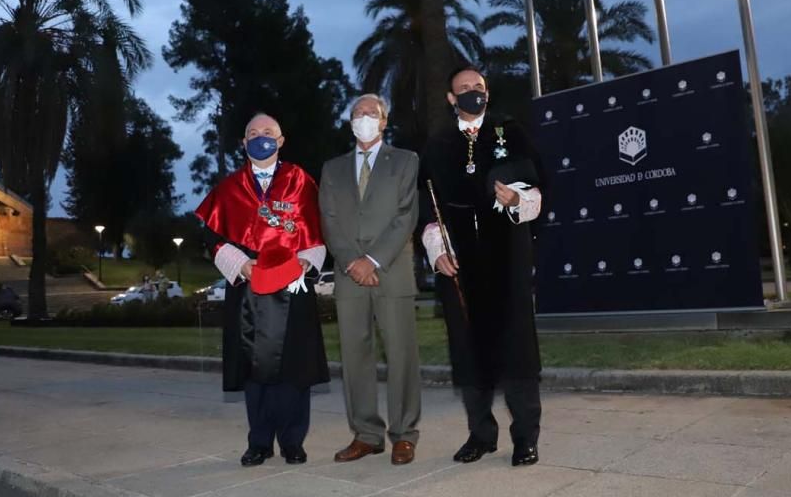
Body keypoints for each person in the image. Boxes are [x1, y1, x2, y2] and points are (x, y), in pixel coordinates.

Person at [419, 66, 544, 467]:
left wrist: (516, 202)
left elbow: (541, 188)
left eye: (479, 87)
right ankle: (480, 435)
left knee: (517, 349)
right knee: (470, 350)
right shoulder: (437, 145)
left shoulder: (511, 131)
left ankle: (525, 437)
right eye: (464, 89)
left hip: (507, 258)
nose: (473, 93)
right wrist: (437, 250)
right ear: (451, 99)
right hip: (461, 266)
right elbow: (426, 208)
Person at [194, 113, 329, 466]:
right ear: (243, 143)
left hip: (295, 283)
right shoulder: (229, 187)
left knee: (295, 368)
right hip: (248, 285)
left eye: (268, 132)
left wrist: (305, 262)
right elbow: (212, 236)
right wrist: (242, 265)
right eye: (252, 133)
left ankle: (293, 441)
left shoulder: (301, 181)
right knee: (255, 368)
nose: (260, 137)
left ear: (281, 140)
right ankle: (259, 442)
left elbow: (319, 228)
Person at [320, 94, 421, 466]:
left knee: (401, 355)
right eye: (357, 113)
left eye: (371, 113)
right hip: (350, 277)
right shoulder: (332, 169)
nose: (364, 117)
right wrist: (352, 262)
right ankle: (366, 435)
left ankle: (404, 434)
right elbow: (329, 221)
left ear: (384, 122)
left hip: (391, 271)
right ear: (350, 122)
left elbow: (405, 216)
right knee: (354, 356)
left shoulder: (406, 161)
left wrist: (373, 259)